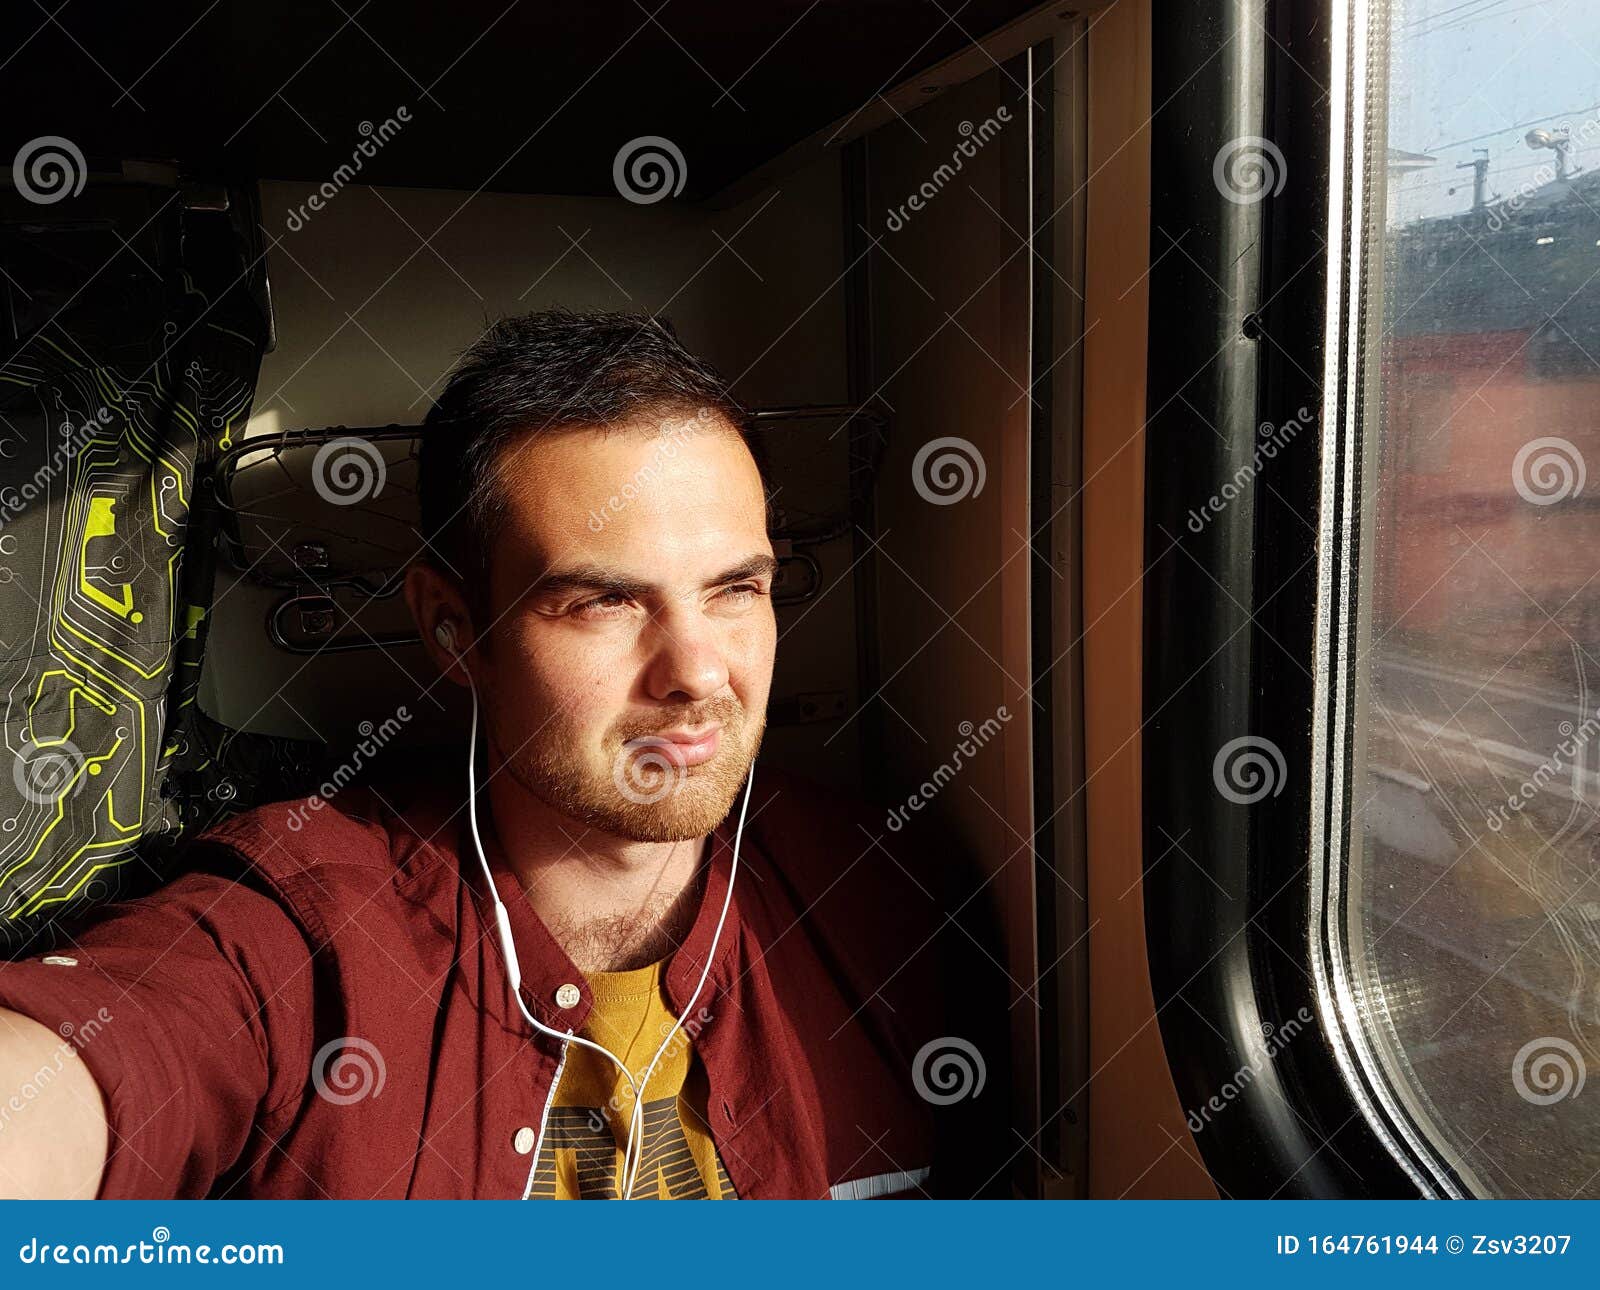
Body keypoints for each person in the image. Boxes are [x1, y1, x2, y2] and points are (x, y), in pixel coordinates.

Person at [0, 309, 1007, 1199]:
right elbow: (88, 1066)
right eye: (606, 600)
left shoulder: (885, 899)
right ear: (455, 630)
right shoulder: (305, 939)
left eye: (736, 589)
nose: (697, 674)